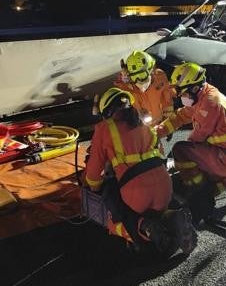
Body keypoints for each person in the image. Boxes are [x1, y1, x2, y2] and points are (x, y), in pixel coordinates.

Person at [83, 87, 197, 254]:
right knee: (157, 207)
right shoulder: (145, 123)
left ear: (107, 111)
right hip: (165, 187)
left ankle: (144, 229)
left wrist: (94, 186)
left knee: (115, 214)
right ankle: (171, 216)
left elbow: (93, 173)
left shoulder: (104, 128)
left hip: (137, 194)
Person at [155, 62, 226, 220]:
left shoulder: (209, 104)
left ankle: (201, 192)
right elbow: (181, 116)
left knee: (181, 150)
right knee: (193, 158)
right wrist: (157, 132)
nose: (180, 97)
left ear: (194, 88)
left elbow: (195, 140)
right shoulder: (203, 95)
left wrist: (174, 160)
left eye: (182, 93)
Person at [114, 50, 174, 126]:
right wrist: (122, 78)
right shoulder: (129, 87)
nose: (140, 82)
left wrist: (167, 122)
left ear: (151, 70)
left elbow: (167, 96)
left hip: (159, 121)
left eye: (143, 76)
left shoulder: (160, 77)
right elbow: (120, 88)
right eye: (135, 78)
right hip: (143, 128)